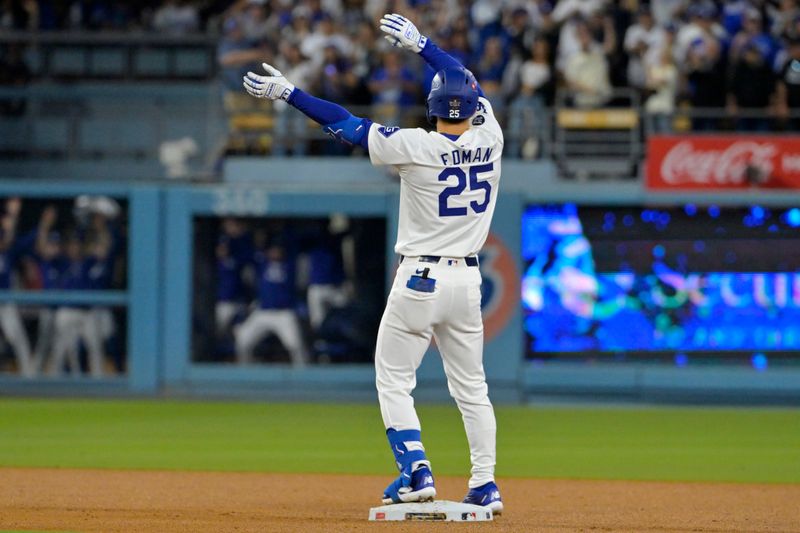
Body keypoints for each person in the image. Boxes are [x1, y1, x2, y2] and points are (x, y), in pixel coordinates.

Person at [243, 11, 503, 514]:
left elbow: (343, 122)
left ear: (431, 108)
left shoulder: (415, 144)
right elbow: (461, 76)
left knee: (392, 378)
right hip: (468, 281)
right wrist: (424, 45)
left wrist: (289, 94)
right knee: (472, 388)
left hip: (421, 278)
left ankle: (417, 470)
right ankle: (485, 483)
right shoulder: (490, 137)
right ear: (474, 107)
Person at [233, 240, 307, 366]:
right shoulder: (262, 264)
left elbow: (294, 242)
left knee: (295, 345)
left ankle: (303, 374)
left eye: (278, 250)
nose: (275, 252)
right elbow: (244, 254)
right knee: (242, 340)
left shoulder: (289, 265)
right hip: (263, 312)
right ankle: (245, 372)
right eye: (272, 250)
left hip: (284, 313)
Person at [0, 198, 34, 377]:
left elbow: (8, 241)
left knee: (17, 338)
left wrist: (12, 217)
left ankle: (29, 375)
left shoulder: (9, 250)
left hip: (5, 301)